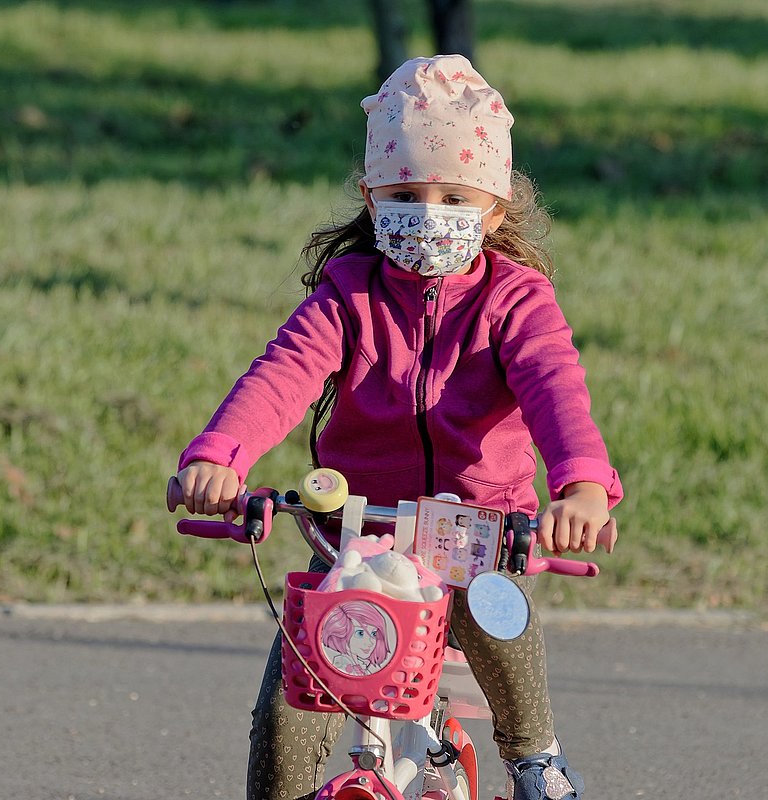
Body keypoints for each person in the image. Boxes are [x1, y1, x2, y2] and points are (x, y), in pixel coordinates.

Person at [175, 54, 623, 800]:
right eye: (406, 193)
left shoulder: (516, 301)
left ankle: (534, 756)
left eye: (453, 195)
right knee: (295, 695)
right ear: (371, 196)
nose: (428, 210)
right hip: (355, 533)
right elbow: (283, 374)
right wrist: (221, 458)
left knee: (493, 613)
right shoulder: (348, 294)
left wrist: (581, 488)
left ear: (495, 209)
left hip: (477, 528)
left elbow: (557, 391)